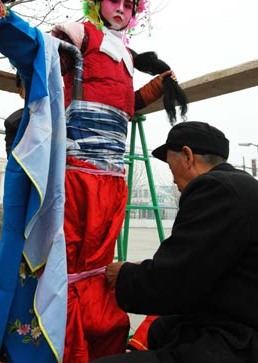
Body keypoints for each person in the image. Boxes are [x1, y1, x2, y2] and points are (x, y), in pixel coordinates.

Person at [0, 0, 188, 363]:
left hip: (113, 179)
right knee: (64, 261)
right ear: (97, 0)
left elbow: (124, 105)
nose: (121, 7)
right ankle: (60, 343)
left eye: (128, 2)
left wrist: (158, 87)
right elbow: (39, 54)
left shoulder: (124, 54)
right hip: (77, 174)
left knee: (99, 263)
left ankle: (95, 335)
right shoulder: (82, 34)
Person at [94, 121, 258, 363]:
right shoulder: (243, 186)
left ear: (188, 156)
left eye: (171, 170)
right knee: (160, 331)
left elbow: (176, 282)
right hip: (235, 317)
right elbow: (202, 264)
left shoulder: (213, 189)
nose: (173, 182)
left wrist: (124, 275)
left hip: (236, 341)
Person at [4, 72, 25, 157]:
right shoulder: (13, 123)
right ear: (21, 92)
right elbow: (13, 159)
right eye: (30, 86)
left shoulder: (62, 119)